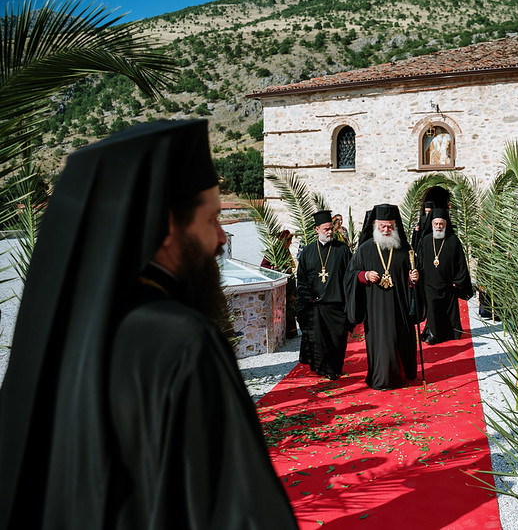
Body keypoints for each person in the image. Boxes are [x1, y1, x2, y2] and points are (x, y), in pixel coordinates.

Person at [0, 120, 297, 529]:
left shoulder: (56, 335)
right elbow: (240, 510)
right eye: (212, 219)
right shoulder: (183, 341)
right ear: (166, 227)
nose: (221, 237)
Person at [345, 204, 421, 390]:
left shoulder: (404, 248)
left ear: (395, 226)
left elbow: (413, 274)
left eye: (390, 226)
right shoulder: (365, 249)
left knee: (402, 339)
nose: (386, 230)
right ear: (375, 225)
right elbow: (350, 274)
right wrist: (364, 275)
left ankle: (403, 374)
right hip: (375, 307)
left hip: (399, 304)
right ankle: (382, 378)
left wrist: (413, 278)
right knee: (381, 343)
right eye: (382, 226)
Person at [296, 210, 352, 380]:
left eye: (331, 229)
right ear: (317, 230)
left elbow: (350, 277)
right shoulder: (307, 252)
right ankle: (321, 368)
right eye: (326, 229)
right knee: (318, 341)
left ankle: (334, 369)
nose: (329, 232)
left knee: (336, 341)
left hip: (336, 306)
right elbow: (302, 279)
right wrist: (304, 301)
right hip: (315, 306)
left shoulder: (342, 250)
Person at [417, 208, 473, 344]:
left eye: (441, 224)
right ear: (432, 224)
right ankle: (434, 334)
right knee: (432, 309)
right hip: (429, 284)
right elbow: (419, 262)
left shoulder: (453, 240)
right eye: (436, 224)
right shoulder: (425, 241)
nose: (438, 226)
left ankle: (452, 333)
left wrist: (458, 281)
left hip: (448, 284)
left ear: (446, 224)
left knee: (449, 310)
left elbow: (461, 262)